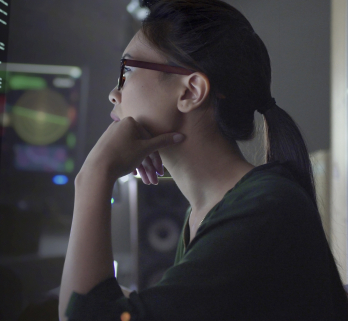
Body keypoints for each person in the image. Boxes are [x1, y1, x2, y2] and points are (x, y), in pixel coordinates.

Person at [58, 0, 348, 320]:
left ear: (191, 91)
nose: (114, 93)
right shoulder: (209, 209)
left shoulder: (263, 207)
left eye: (127, 70)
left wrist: (94, 175)